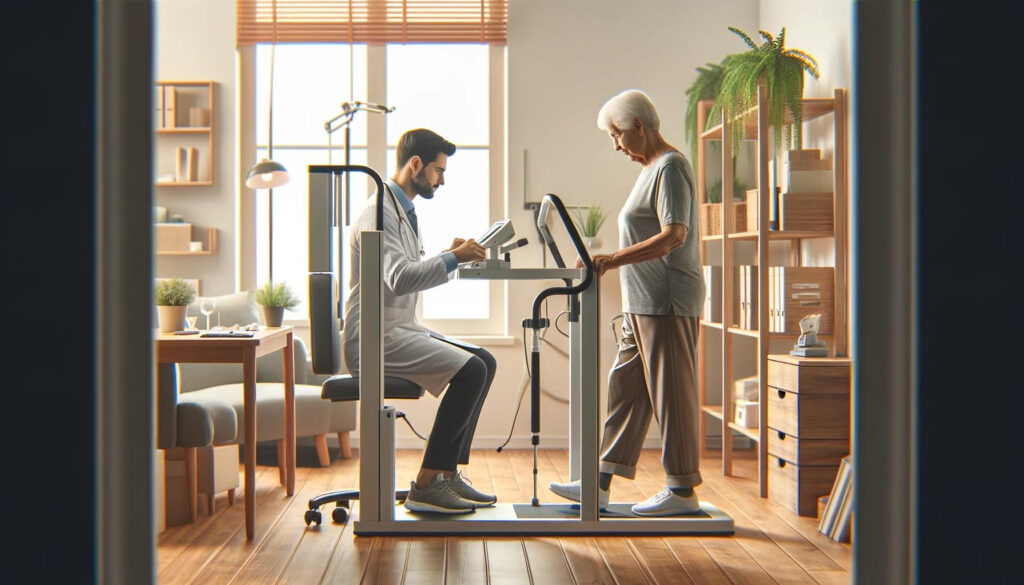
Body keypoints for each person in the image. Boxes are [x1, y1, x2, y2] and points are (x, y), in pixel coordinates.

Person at [549, 89, 705, 516]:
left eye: (617, 134)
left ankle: (682, 491)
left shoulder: (671, 167)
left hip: (668, 299)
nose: (616, 145)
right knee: (627, 389)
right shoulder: (649, 168)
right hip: (643, 301)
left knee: (671, 393)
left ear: (638, 125)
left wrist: (612, 260)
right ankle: (599, 483)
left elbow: (676, 234)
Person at [343, 128, 498, 514]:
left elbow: (406, 270)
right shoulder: (378, 211)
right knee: (472, 371)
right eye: (437, 171)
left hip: (398, 327)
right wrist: (455, 259)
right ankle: (428, 484)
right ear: (415, 164)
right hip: (377, 338)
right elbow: (400, 277)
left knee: (486, 361)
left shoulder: (403, 210)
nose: (441, 180)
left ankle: (446, 474)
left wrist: (449, 254)